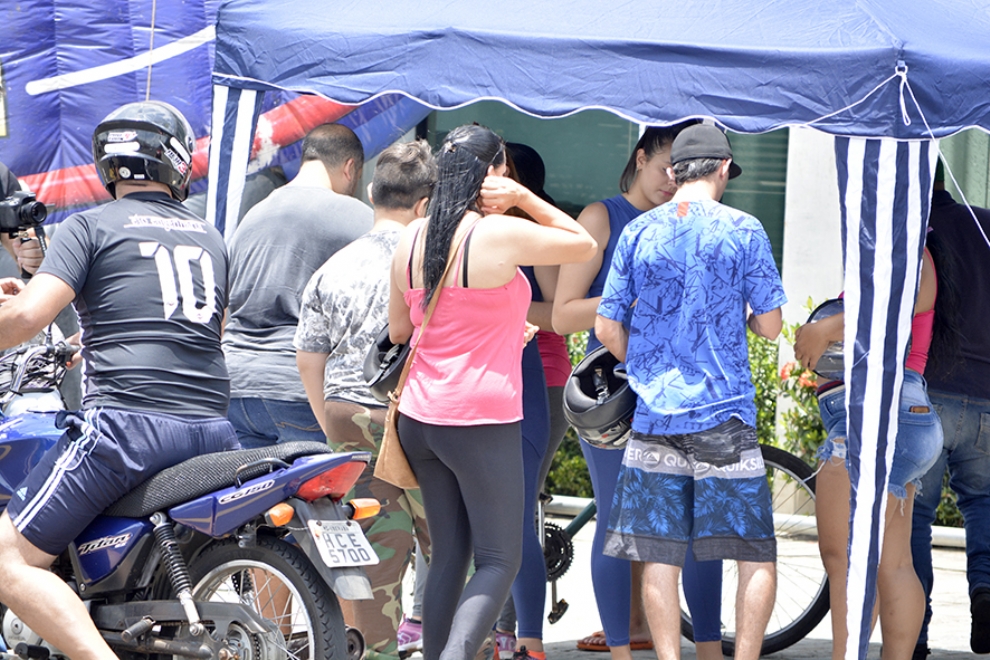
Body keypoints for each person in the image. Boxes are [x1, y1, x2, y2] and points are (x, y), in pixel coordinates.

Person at [0, 100, 239, 660]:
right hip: (213, 429)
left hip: (128, 431)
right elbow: (203, 331)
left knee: (7, 561)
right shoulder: (210, 237)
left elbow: (27, 318)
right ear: (176, 162)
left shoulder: (88, 226)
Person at [388, 124, 596, 660]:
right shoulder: (497, 233)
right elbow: (583, 243)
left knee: (448, 556)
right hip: (479, 417)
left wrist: (499, 330)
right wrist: (523, 197)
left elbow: (401, 330)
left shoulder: (413, 236)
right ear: (495, 174)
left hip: (420, 417)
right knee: (500, 559)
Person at [596, 124, 784, 660]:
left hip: (656, 416)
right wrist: (746, 320)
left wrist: (648, 367)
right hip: (725, 416)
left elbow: (607, 328)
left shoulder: (637, 231)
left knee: (660, 555)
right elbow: (771, 325)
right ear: (723, 168)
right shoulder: (744, 229)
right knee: (753, 553)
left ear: (674, 171)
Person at [552, 122, 726, 660]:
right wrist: (631, 300)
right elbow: (563, 314)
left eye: (682, 172)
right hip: (618, 396)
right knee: (617, 520)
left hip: (686, 390)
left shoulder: (697, 220)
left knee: (697, 524)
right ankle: (621, 649)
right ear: (641, 157)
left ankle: (708, 648)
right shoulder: (602, 218)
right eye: (665, 168)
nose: (672, 180)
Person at [294, 139, 436, 660]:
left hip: (347, 416)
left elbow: (309, 358)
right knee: (453, 547)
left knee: (376, 552)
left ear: (372, 192)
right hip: (418, 418)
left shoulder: (333, 267)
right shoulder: (433, 263)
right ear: (426, 204)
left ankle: (376, 653)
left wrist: (331, 424)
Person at [795, 239, 944, 659]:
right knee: (892, 564)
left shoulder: (911, 253)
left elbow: (890, 312)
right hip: (896, 414)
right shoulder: (905, 252)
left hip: (875, 412)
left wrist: (824, 329)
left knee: (846, 559)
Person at [224, 123, 373, 448]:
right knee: (318, 483)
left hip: (234, 386)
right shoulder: (355, 215)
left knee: (255, 483)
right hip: (296, 388)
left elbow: (225, 308)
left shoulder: (252, 216)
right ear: (350, 168)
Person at [910, 162, 990, 658]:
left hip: (930, 394)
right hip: (987, 396)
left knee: (915, 515)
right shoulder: (984, 223)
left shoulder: (911, 235)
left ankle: (913, 634)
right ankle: (986, 591)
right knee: (984, 503)